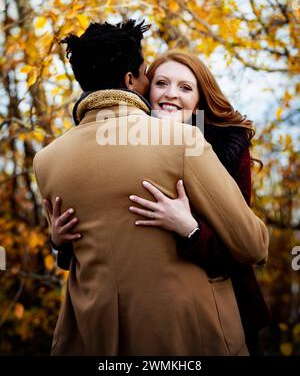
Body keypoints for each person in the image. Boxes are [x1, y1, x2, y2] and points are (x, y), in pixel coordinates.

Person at [34, 19, 269, 356]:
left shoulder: (47, 159)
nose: (168, 93)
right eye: (154, 79)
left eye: (186, 88)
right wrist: (59, 242)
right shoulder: (183, 141)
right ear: (132, 81)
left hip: (94, 339)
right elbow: (254, 244)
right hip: (191, 336)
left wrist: (189, 229)